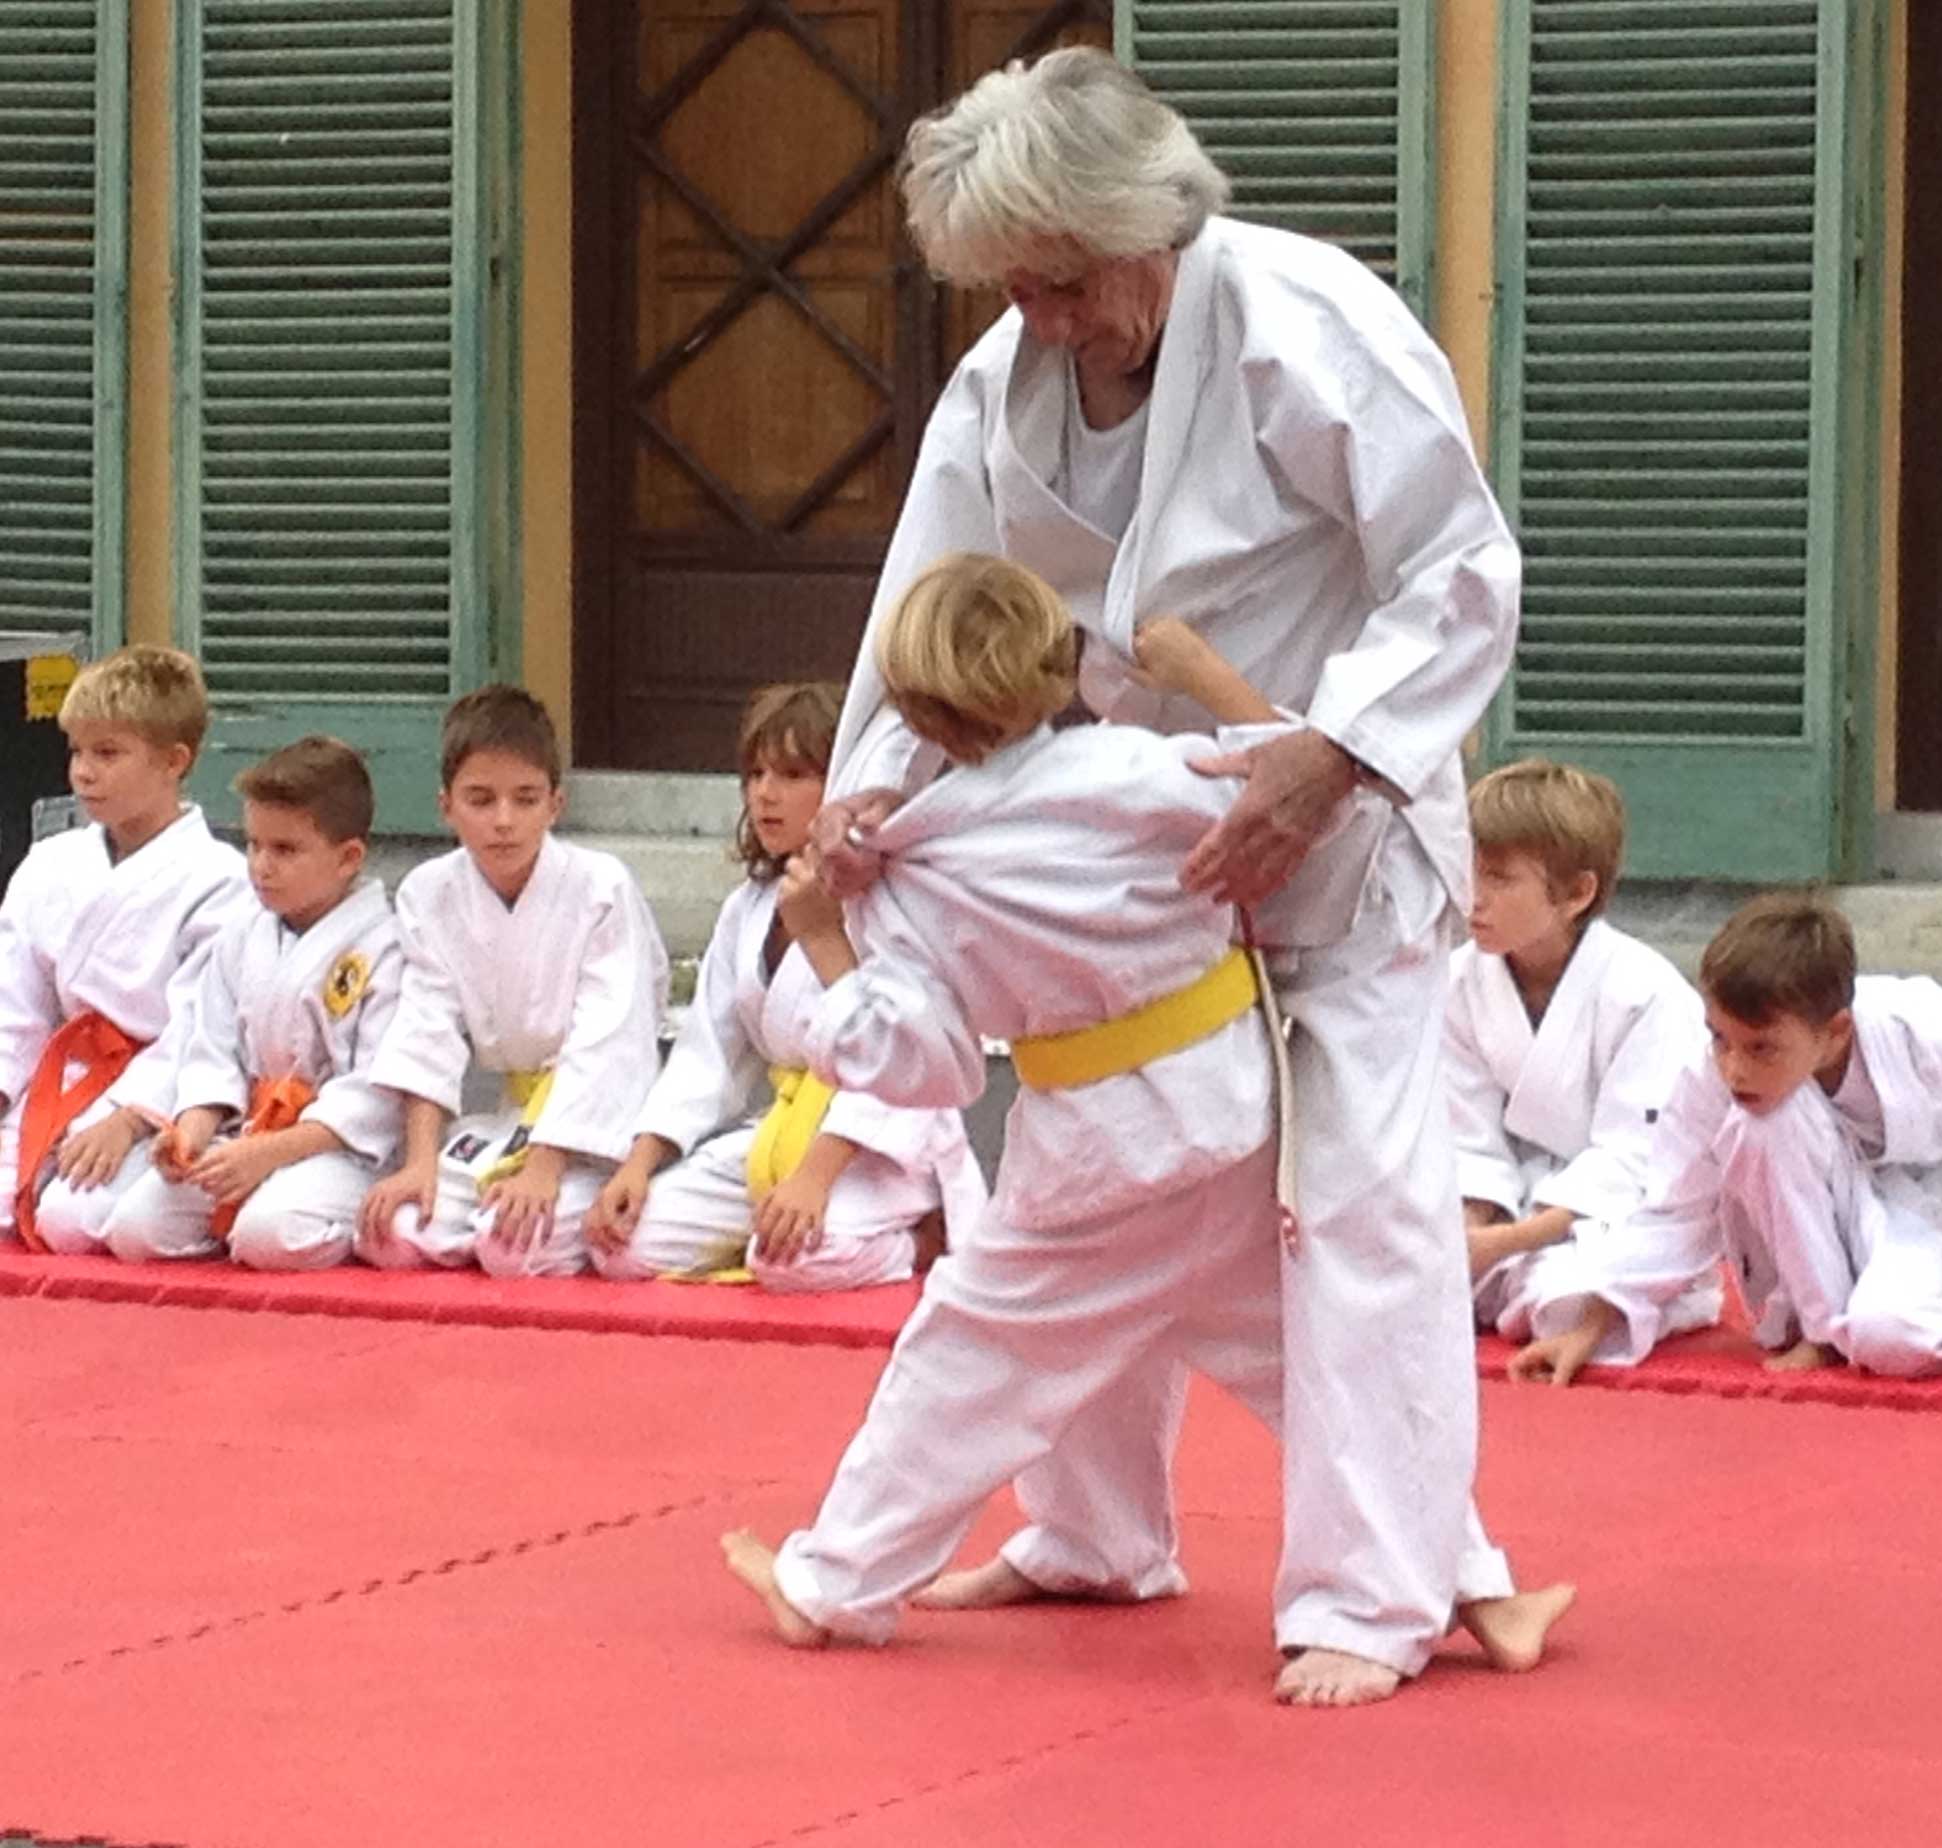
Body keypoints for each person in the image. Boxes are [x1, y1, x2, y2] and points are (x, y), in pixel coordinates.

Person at [817, 47, 1523, 1708]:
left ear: (1157, 225)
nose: (1041, 318)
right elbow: (923, 607)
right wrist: (867, 804)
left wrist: (1336, 750)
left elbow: (1458, 572)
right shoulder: (1000, 380)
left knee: (1351, 1211)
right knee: (1085, 1188)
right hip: (1116, 864)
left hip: (1329, 834)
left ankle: (1373, 1595)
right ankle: (1094, 1529)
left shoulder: (1305, 319)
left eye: (1063, 280)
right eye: (1012, 286)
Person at [723, 556, 1570, 1681]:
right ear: (1059, 670)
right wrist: (1205, 674)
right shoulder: (1139, 771)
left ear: (914, 711)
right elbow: (1293, 792)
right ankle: (1459, 1580)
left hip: (1105, 1151)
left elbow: (920, 1062)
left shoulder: (917, 870)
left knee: (975, 1353)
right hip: (1238, 1104)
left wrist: (830, 941)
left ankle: (835, 1579)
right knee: (1311, 1355)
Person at [1543, 892, 1942, 1421]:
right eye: (1719, 1037)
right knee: (1761, 1128)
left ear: (1834, 1030)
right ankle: (1825, 1327)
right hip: (1838, 1235)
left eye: (1762, 1047)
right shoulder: (1711, 1077)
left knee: (1921, 1311)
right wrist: (1597, 1319)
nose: (1733, 1065)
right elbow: (1678, 1207)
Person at [585, 683, 985, 1287]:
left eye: (794, 774)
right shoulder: (747, 909)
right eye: (756, 773)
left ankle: (917, 1238)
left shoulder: (890, 908)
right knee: (622, 1248)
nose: (766, 794)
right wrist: (639, 1164)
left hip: (877, 1149)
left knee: (790, 1261)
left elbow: (898, 1059)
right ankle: (776, 1224)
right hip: (782, 1136)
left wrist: (815, 1179)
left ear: (845, 788)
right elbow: (707, 1054)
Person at [355, 686, 668, 1277]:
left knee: (513, 1248)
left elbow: (609, 1035)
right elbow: (427, 1028)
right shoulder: (428, 892)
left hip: (589, 1132)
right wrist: (419, 1161)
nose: (504, 821)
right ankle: (478, 1205)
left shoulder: (602, 887)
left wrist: (545, 1167)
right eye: (481, 799)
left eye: (525, 799)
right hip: (509, 1118)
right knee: (390, 1235)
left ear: (556, 803)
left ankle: (521, 1208)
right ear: (445, 805)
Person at [1437, 760, 1721, 1386]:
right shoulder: (1457, 982)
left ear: (1577, 894)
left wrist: (1504, 1246)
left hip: (1619, 1214)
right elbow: (1468, 1140)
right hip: (1512, 1209)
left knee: (1568, 1296)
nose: (1473, 897)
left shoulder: (1644, 993)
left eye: (1500, 879)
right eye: (1469, 871)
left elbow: (1634, 1158)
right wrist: (1466, 1235)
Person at [103, 737, 402, 1270]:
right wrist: (191, 1131)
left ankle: (322, 1223)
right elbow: (211, 1050)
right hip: (245, 1134)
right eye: (253, 845)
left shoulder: (387, 945)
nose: (261, 866)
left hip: (342, 1151)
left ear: (348, 857)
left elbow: (376, 1093)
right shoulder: (242, 935)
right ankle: (240, 1215)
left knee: (270, 1235)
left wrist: (270, 1154)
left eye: (284, 850)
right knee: (134, 1230)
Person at [0, 645, 249, 1254]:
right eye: (78, 752)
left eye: (107, 754)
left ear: (173, 761)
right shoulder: (51, 863)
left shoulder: (220, 878)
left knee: (71, 1218)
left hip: (154, 1095)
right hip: (56, 1079)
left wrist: (130, 1116)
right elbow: (16, 1005)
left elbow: (201, 1028)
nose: (83, 772)